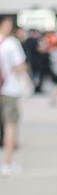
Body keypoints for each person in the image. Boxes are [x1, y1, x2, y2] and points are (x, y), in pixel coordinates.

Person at [0, 15, 27, 175]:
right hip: (8, 90)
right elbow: (20, 66)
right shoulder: (11, 43)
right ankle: (7, 163)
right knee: (10, 126)